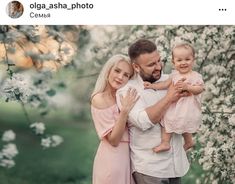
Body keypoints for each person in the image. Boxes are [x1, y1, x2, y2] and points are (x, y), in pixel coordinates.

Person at [116, 39, 190, 184]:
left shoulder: (171, 80)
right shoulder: (127, 91)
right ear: (136, 67)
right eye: (151, 65)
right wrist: (169, 97)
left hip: (176, 164)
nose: (158, 67)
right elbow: (143, 121)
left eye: (159, 61)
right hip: (150, 169)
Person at [144, 43, 204, 153]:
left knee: (185, 124)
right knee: (167, 121)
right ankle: (165, 143)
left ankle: (189, 141)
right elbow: (164, 84)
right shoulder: (174, 75)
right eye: (179, 60)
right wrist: (152, 86)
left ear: (193, 60)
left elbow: (200, 89)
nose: (183, 63)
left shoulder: (195, 76)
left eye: (187, 59)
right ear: (173, 62)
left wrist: (188, 87)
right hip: (175, 107)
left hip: (188, 107)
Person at [90, 54, 139, 184]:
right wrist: (124, 112)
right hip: (113, 160)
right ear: (108, 71)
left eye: (126, 75)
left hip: (131, 157)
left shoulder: (122, 96)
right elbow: (114, 140)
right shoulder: (99, 99)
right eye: (117, 71)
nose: (120, 77)